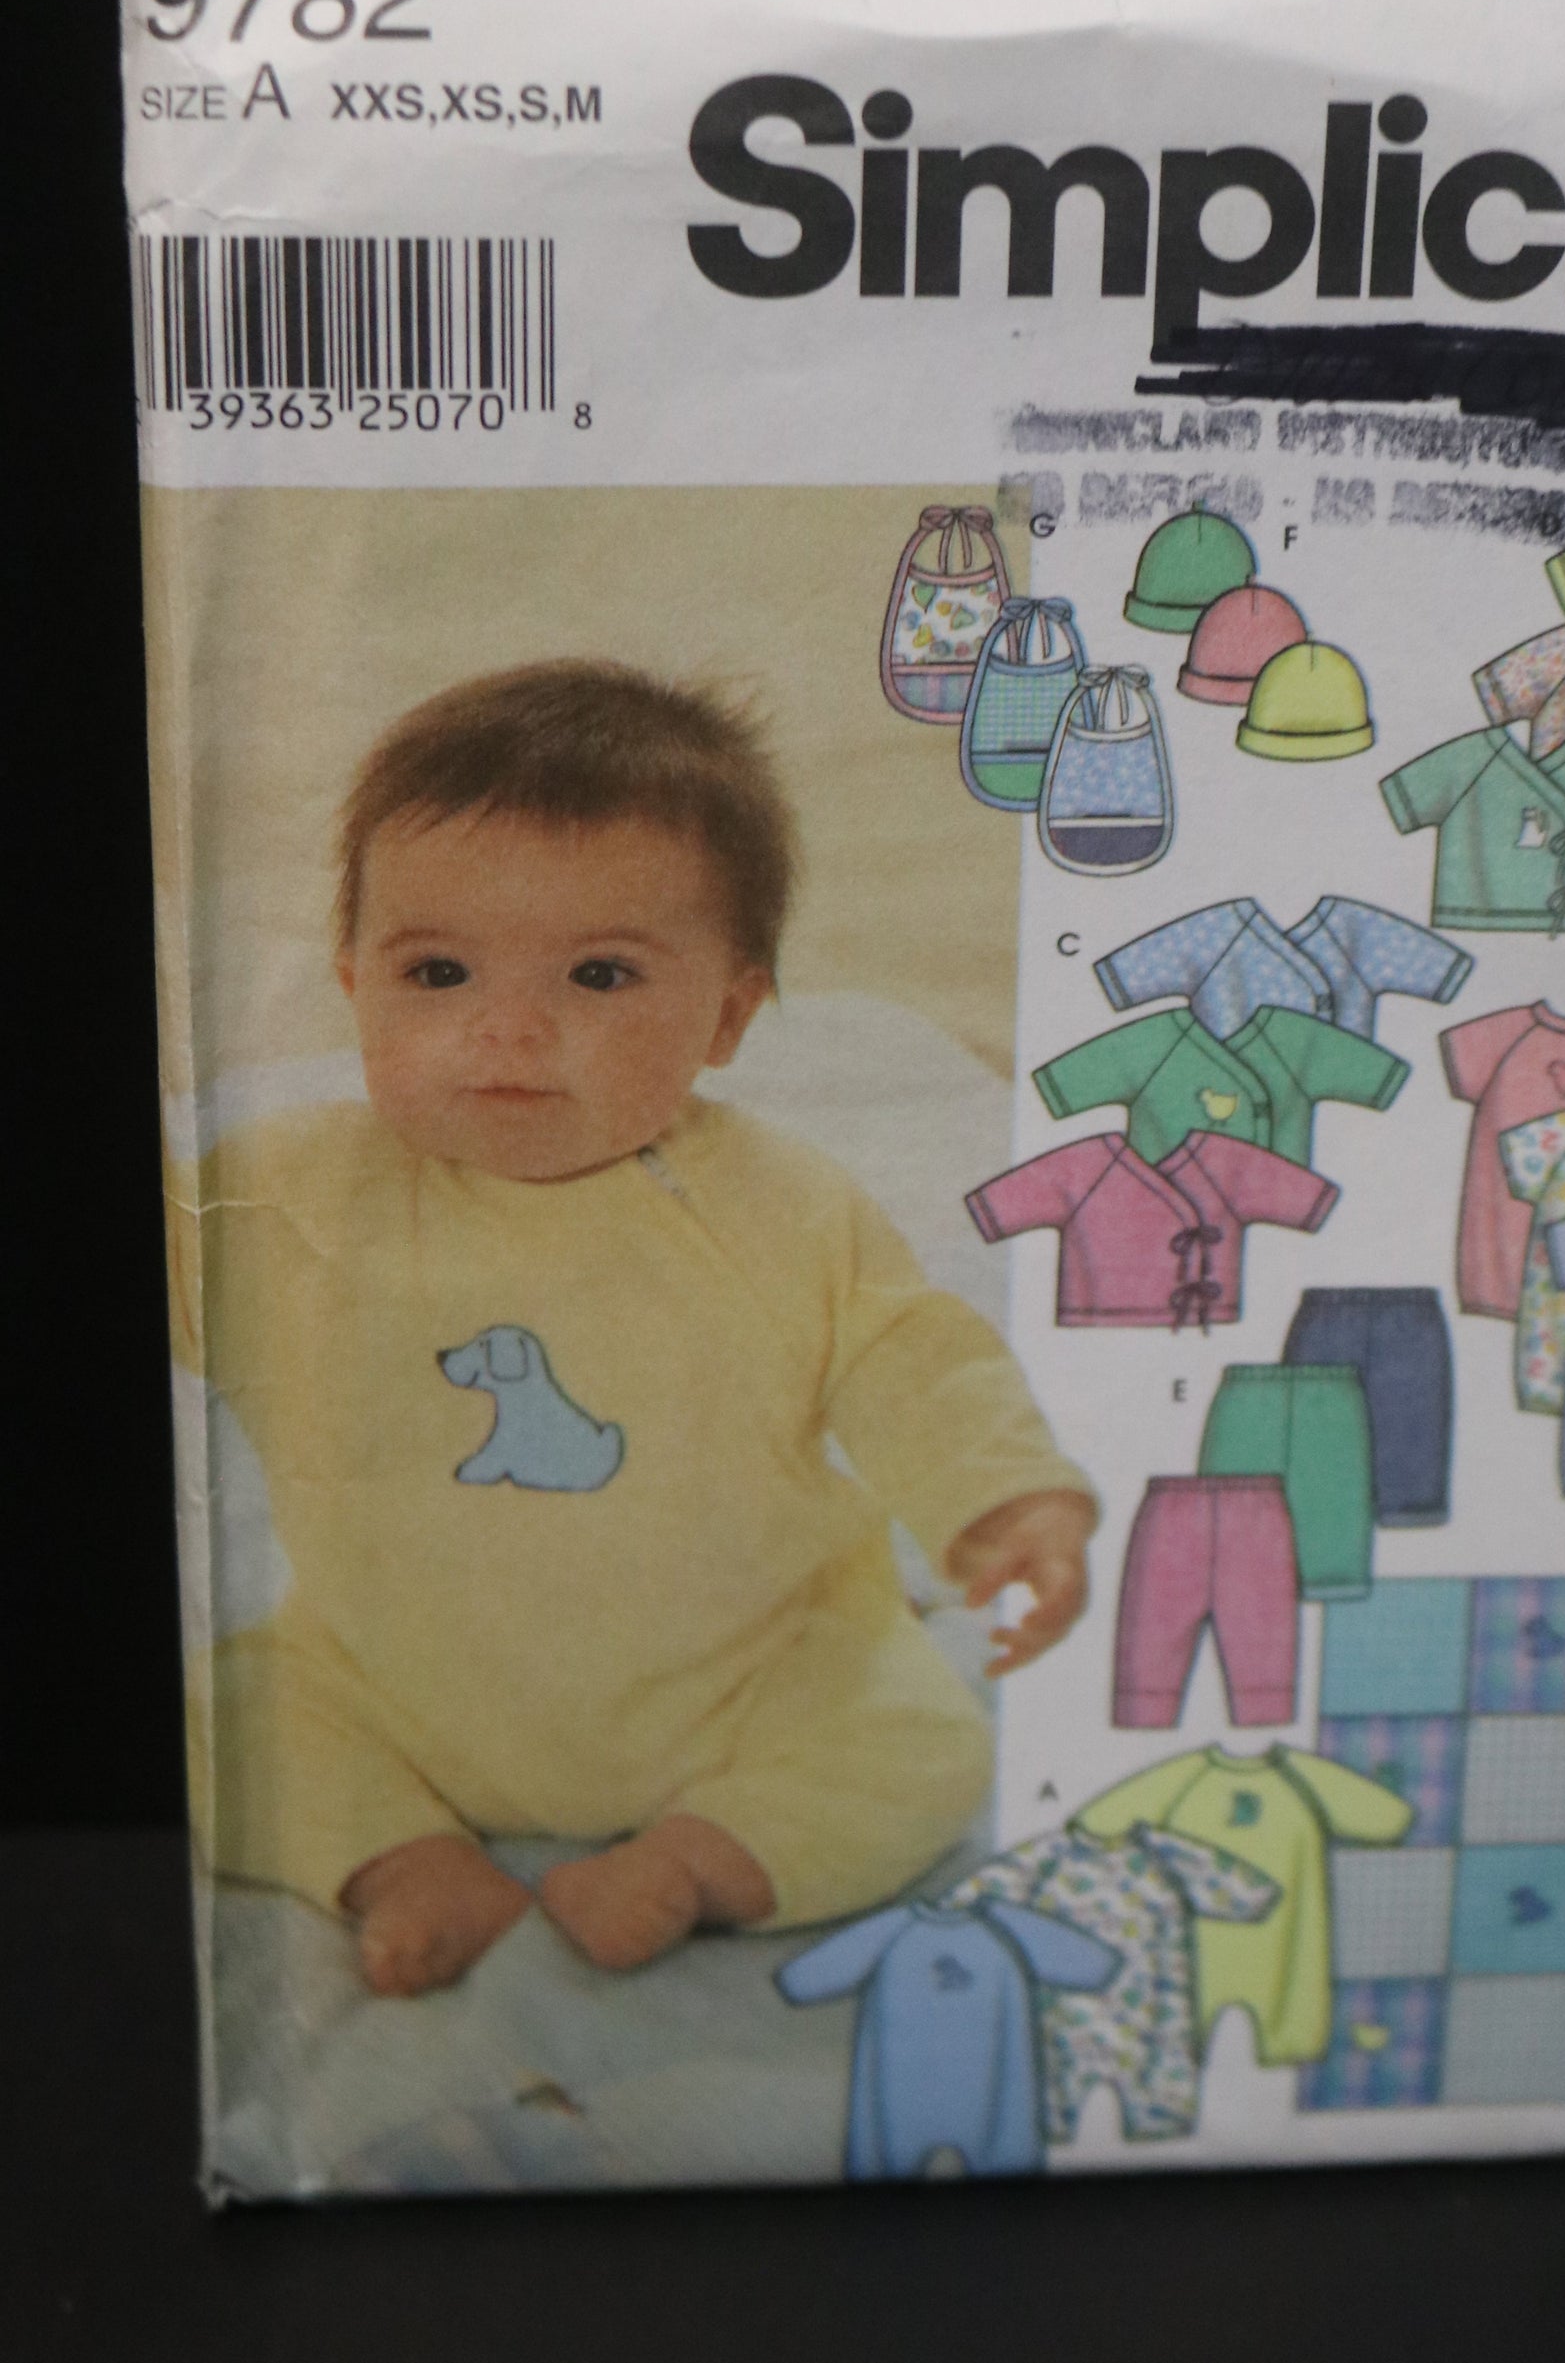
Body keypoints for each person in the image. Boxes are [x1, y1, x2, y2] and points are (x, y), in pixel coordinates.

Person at [175, 658, 1096, 1997]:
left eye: (599, 974)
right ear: (353, 981)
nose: (509, 1027)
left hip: (742, 1681)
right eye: (438, 970)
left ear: (727, 1013)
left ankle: (699, 1857)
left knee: (924, 1748)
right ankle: (405, 1856)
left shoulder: (776, 1206)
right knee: (224, 1719)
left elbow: (914, 1357)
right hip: (388, 1680)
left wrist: (1004, 1499)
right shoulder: (286, 1191)